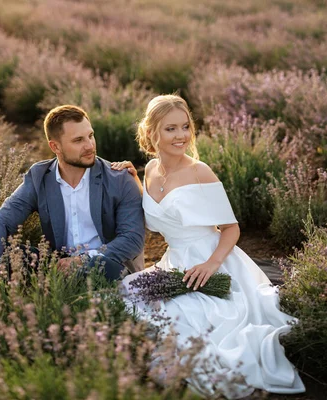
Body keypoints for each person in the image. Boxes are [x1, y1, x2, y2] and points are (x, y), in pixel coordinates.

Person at [115, 95, 305, 398]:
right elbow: (156, 216)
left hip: (212, 259)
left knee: (192, 317)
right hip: (175, 261)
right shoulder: (151, 170)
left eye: (185, 127)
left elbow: (231, 229)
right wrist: (135, 181)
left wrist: (210, 265)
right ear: (152, 133)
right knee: (130, 293)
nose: (181, 136)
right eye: (170, 129)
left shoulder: (199, 172)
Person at [0, 105, 145, 280]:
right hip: (60, 266)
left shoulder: (119, 178)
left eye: (91, 136)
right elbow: (2, 220)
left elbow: (132, 239)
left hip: (108, 266)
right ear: (55, 147)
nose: (89, 146)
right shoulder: (40, 176)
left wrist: (83, 260)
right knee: (15, 255)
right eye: (78, 140)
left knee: (99, 267)